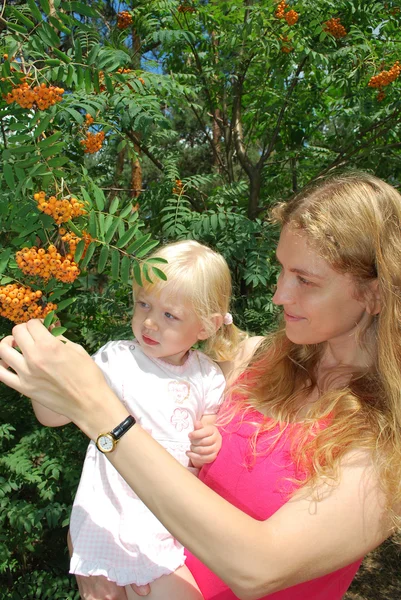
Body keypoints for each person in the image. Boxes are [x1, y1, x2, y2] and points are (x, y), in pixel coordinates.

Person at [1, 172, 400, 600]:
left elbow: (258, 567)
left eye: (305, 280)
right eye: (283, 270)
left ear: (376, 295)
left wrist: (97, 411)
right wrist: (97, 552)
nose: (279, 295)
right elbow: (138, 478)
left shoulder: (386, 441)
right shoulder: (251, 362)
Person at [26, 240, 245, 599]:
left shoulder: (207, 376)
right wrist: (42, 380)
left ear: (207, 327)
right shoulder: (117, 360)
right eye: (144, 304)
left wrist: (210, 440)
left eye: (169, 315)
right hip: (110, 513)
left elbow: (208, 432)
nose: (149, 322)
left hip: (167, 521)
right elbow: (54, 416)